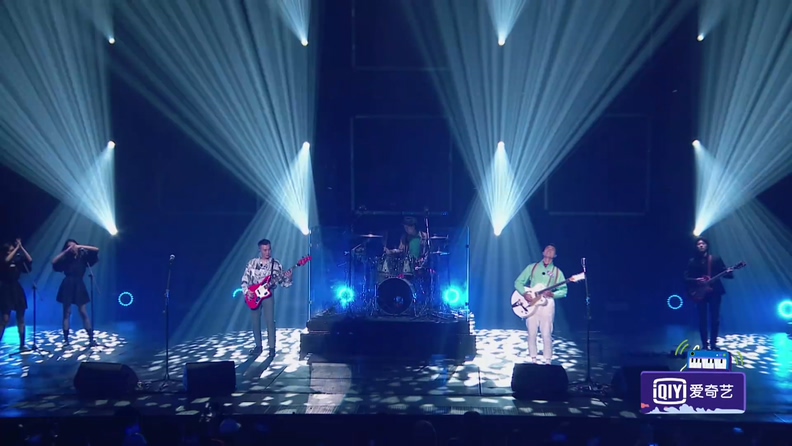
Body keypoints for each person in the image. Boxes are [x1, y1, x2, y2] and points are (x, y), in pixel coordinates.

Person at [514, 244, 568, 364]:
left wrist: (553, 294)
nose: (550, 250)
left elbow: (564, 291)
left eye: (552, 250)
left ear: (555, 255)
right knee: (531, 332)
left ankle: (548, 360)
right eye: (547, 248)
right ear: (543, 252)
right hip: (532, 302)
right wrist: (524, 293)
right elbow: (518, 282)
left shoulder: (557, 272)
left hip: (547, 304)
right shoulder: (532, 267)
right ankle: (533, 359)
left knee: (546, 333)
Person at [241, 238, 292, 356]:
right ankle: (258, 346)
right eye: (265, 250)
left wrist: (289, 277)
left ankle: (272, 348)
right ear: (260, 250)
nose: (267, 252)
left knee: (270, 321)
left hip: (268, 295)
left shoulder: (276, 264)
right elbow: (245, 279)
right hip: (254, 295)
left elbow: (284, 283)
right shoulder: (252, 263)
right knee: (255, 322)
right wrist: (247, 291)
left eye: (269, 249)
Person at [684, 237, 734, 350]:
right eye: (699, 244)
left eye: (703, 243)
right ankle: (704, 345)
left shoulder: (715, 259)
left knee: (715, 319)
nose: (701, 245)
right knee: (702, 319)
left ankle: (713, 344)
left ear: (707, 246)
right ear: (696, 247)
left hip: (714, 292)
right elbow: (685, 278)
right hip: (700, 293)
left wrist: (728, 272)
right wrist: (696, 280)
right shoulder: (692, 261)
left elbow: (726, 274)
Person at [52, 239, 99, 346]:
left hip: (79, 284)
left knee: (83, 311)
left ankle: (91, 338)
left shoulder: (82, 257)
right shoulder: (66, 259)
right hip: (67, 284)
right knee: (67, 312)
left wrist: (80, 246)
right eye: (69, 246)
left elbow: (96, 250)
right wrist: (66, 251)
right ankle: (66, 340)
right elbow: (54, 262)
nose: (72, 248)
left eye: (73, 245)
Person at [0, 238, 33, 351]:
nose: (13, 252)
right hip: (6, 289)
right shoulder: (3, 260)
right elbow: (6, 261)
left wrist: (21, 247)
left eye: (13, 250)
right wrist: (16, 249)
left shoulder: (17, 261)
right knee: (5, 319)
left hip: (16, 288)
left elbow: (29, 260)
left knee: (21, 317)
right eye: (10, 250)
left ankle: (22, 345)